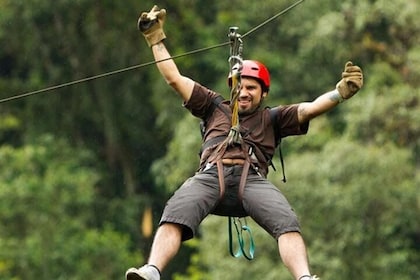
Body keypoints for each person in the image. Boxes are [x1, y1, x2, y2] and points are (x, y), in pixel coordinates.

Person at [126, 5, 363, 280]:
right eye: (240, 86)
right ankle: (153, 271)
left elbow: (310, 109)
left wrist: (340, 93)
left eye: (252, 88)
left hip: (251, 181)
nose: (244, 93)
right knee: (176, 211)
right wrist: (155, 38)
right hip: (210, 176)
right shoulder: (214, 106)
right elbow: (173, 78)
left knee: (286, 221)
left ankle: (305, 278)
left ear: (263, 93)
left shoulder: (273, 118)